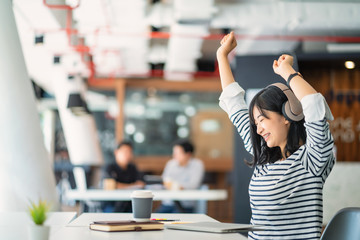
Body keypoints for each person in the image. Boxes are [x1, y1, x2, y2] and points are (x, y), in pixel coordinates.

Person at [217, 31, 335, 239]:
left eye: (262, 119)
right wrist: (221, 56)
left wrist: (287, 71)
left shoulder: (312, 160)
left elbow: (313, 104)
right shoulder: (264, 155)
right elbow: (234, 104)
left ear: (288, 114)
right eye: (256, 123)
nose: (258, 128)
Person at [156, 140, 204, 213]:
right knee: (153, 219)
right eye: (174, 153)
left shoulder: (197, 164)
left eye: (177, 153)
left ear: (188, 154)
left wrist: (174, 185)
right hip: (168, 203)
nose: (174, 156)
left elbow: (193, 185)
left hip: (186, 205)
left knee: (175, 221)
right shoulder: (171, 164)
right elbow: (163, 181)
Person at [102, 140, 145, 212]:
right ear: (116, 152)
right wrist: (132, 185)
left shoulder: (132, 168)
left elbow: (141, 184)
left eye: (129, 152)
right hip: (112, 204)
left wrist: (121, 186)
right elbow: (111, 186)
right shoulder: (109, 167)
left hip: (129, 204)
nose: (127, 155)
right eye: (124, 152)